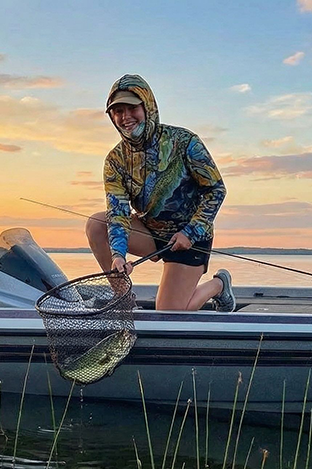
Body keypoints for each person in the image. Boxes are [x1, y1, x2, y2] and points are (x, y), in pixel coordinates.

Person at [86, 74, 235, 312]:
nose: (125, 117)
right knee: (96, 224)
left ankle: (218, 285)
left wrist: (190, 232)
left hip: (190, 240)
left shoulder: (185, 141)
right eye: (118, 111)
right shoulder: (115, 160)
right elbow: (118, 212)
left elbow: (215, 189)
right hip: (151, 233)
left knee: (169, 313)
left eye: (132, 108)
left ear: (147, 106)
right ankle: (126, 302)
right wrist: (118, 256)